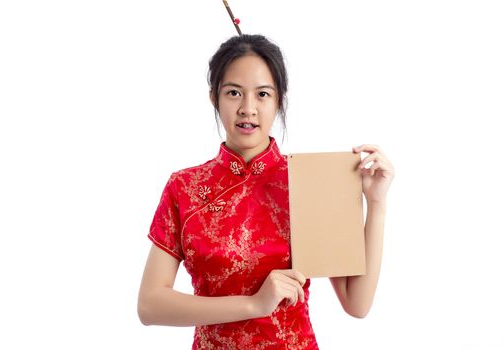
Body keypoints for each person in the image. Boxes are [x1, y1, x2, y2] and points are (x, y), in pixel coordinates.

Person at [137, 34, 395, 349]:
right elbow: (150, 304)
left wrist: (377, 203)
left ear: (279, 99)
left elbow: (357, 303)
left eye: (262, 94)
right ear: (214, 98)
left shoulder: (308, 181)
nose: (248, 108)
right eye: (233, 93)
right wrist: (254, 304)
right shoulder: (185, 186)